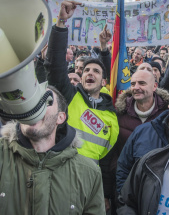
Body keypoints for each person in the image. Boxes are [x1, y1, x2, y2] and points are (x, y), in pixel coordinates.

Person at [44, 0, 119, 210]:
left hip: (90, 184)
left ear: (103, 82)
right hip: (59, 175)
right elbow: (54, 65)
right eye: (86, 70)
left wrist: (103, 193)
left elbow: (106, 161)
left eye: (96, 71)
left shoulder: (111, 115)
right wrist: (60, 24)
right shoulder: (70, 96)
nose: (89, 73)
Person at [0, 86, 105, 214]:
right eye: (31, 102)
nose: (35, 108)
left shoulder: (89, 173)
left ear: (60, 117)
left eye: (45, 102)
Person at [115, 69, 169, 152]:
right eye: (133, 84)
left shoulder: (167, 113)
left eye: (142, 83)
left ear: (154, 86)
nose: (136, 88)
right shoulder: (121, 111)